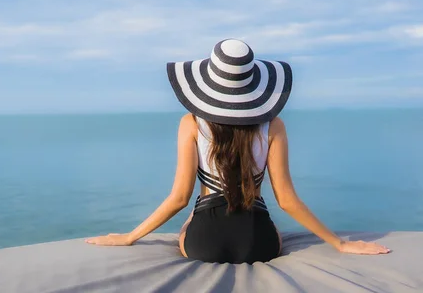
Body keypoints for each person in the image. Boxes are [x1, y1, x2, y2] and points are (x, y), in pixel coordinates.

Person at [86, 39, 391, 263]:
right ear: (253, 84)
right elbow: (287, 200)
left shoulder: (190, 123)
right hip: (259, 243)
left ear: (209, 82)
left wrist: (129, 237)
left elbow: (179, 198)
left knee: (190, 222)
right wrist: (339, 244)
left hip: (204, 242)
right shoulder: (274, 126)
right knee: (270, 225)